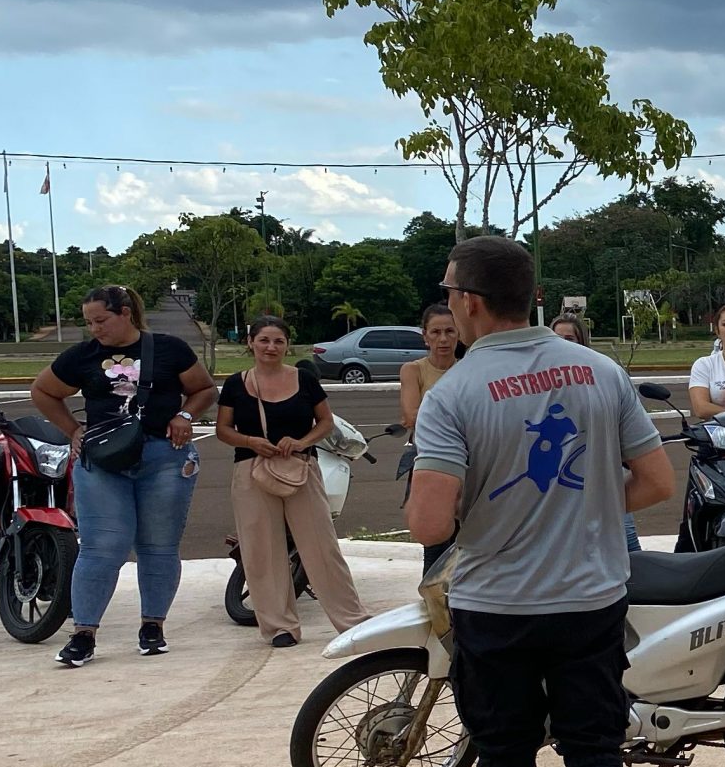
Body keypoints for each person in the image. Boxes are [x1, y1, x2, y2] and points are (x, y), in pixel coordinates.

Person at [409, 234, 674, 767]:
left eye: (449, 292)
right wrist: (585, 507)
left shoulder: (452, 395)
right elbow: (655, 480)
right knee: (593, 758)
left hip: (495, 608)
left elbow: (430, 524)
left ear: (467, 301)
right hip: (588, 601)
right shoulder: (600, 373)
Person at [31, 284, 217, 668]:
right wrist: (72, 430)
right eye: (89, 322)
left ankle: (153, 626)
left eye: (101, 320)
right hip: (103, 460)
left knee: (158, 545)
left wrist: (185, 416)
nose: (95, 329)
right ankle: (84, 633)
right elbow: (43, 391)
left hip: (163, 456)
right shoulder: (82, 356)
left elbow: (203, 389)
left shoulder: (168, 348)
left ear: (125, 313)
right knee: (102, 547)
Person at [215, 315, 369, 647]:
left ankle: (352, 619)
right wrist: (250, 442)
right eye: (264, 340)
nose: (271, 347)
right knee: (262, 550)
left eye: (278, 341)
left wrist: (302, 442)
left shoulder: (304, 379)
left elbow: (325, 422)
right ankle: (279, 626)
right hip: (251, 471)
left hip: (301, 468)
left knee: (321, 545)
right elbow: (223, 430)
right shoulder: (235, 384)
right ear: (251, 343)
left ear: (287, 345)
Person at [551, 313, 644, 549]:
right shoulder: (539, 391)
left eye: (569, 338)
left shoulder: (605, 378)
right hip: (559, 488)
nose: (562, 344)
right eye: (556, 338)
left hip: (604, 479)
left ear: (582, 342)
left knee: (630, 551)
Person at [399, 301, 463, 433]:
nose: (443, 339)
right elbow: (411, 417)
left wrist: (426, 414)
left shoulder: (469, 369)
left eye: (450, 331)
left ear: (459, 334)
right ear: (425, 336)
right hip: (424, 448)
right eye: (435, 332)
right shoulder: (412, 370)